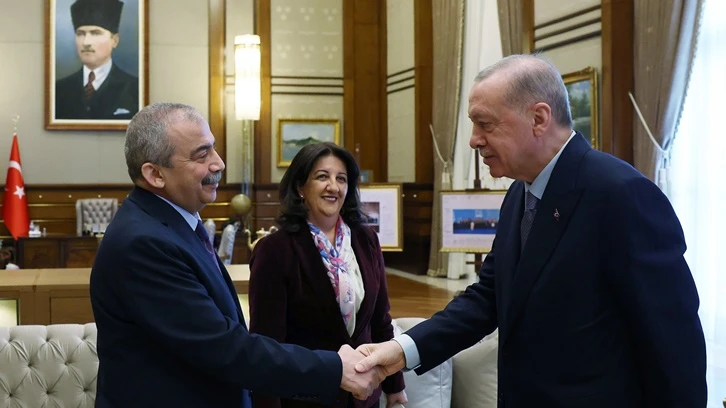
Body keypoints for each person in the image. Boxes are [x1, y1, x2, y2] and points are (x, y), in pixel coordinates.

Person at [354, 54, 707, 407]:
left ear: (538, 118)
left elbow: (672, 342)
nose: (474, 140)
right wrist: (402, 350)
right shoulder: (519, 194)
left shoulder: (621, 194)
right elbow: (489, 297)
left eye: (485, 124)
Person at [89, 103, 384, 408]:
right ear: (155, 174)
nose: (218, 163)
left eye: (214, 148)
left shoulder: (174, 225)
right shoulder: (144, 244)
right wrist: (335, 369)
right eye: (202, 155)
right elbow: (223, 347)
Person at [248, 142, 407, 408]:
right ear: (300, 187)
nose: (333, 186)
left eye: (341, 179)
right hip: (305, 399)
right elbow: (267, 345)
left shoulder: (366, 240)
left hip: (364, 398)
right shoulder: (275, 250)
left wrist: (395, 387)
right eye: (322, 177)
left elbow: (380, 320)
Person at [55, 0, 138, 120]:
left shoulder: (135, 88)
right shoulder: (59, 90)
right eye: (80, 34)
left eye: (95, 33)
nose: (86, 42)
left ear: (114, 40)